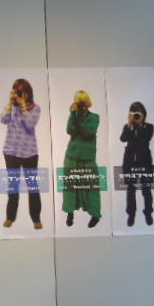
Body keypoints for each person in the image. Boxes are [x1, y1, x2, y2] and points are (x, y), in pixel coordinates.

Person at [0, 78, 43, 229]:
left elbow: (30, 124)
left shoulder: (35, 108)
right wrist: (9, 103)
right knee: (13, 186)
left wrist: (24, 107)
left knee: (33, 186)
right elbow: (3, 120)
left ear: (28, 93)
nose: (20, 94)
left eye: (23, 92)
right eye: (18, 91)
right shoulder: (12, 106)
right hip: (11, 151)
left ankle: (36, 218)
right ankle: (10, 217)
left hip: (29, 152)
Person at [61, 90, 101, 228]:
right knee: (70, 187)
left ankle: (95, 214)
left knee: (92, 187)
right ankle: (70, 213)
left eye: (83, 102)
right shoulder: (74, 115)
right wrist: (73, 114)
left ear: (88, 102)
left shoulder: (95, 117)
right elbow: (69, 130)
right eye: (79, 102)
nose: (82, 105)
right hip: (71, 156)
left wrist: (79, 117)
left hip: (88, 157)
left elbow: (88, 132)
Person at [120, 101, 154, 226]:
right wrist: (130, 125)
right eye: (134, 113)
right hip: (130, 161)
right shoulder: (128, 126)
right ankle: (131, 214)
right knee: (130, 189)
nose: (137, 116)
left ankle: (148, 213)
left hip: (144, 161)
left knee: (146, 188)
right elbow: (123, 139)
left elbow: (146, 138)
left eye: (138, 113)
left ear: (144, 114)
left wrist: (140, 124)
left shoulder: (149, 127)